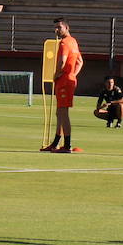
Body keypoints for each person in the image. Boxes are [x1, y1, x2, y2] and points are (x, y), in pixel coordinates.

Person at [42, 17, 83, 152]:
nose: (57, 30)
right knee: (59, 112)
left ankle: (67, 145)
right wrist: (73, 75)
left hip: (64, 81)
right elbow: (80, 62)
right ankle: (55, 143)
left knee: (63, 112)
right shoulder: (74, 42)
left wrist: (57, 74)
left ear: (67, 27)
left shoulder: (64, 43)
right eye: (55, 28)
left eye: (59, 27)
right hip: (69, 79)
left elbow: (62, 62)